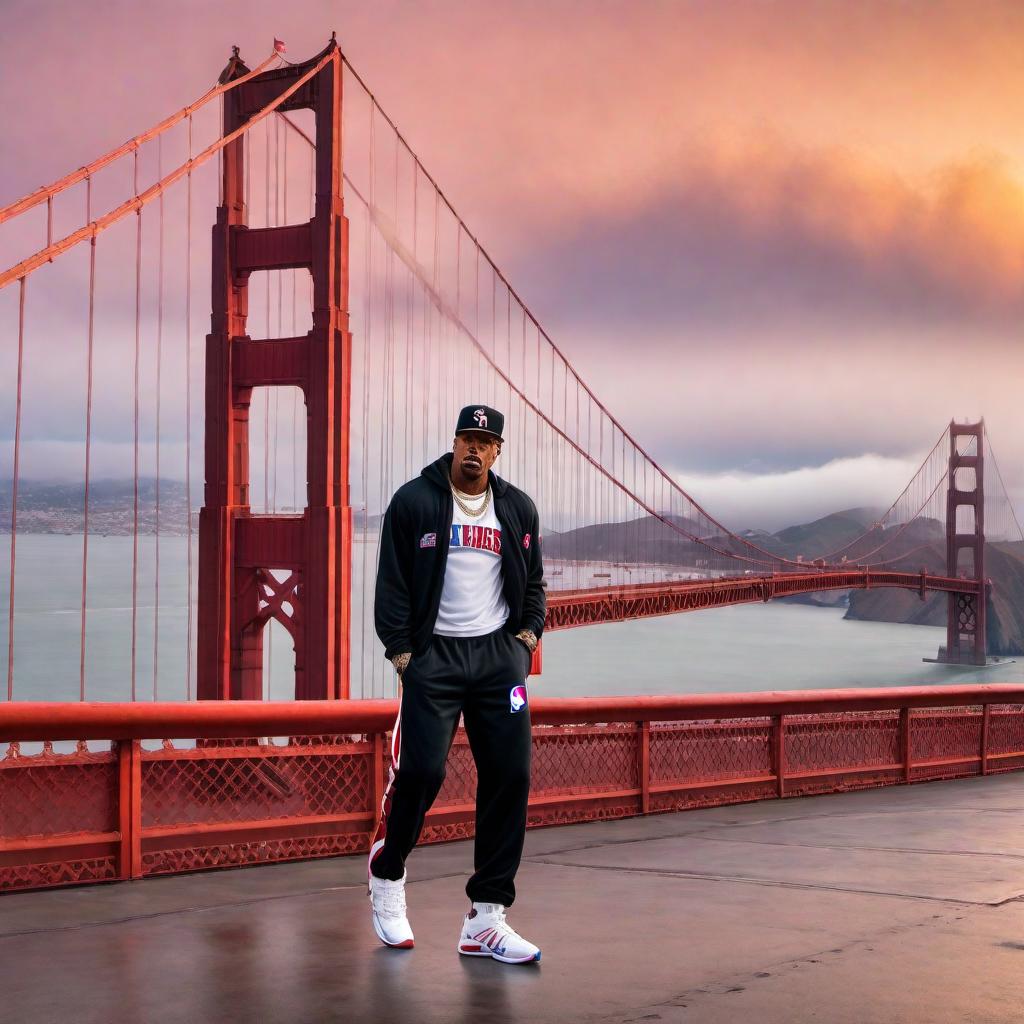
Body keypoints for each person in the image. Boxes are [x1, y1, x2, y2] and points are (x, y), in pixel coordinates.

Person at [369, 404, 545, 965]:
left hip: (497, 658)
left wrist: (525, 639)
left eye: (485, 441)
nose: (475, 448)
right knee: (423, 772)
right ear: (454, 442)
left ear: (498, 451)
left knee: (510, 776)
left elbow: (535, 581)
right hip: (434, 656)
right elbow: (392, 580)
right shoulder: (413, 501)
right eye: (467, 437)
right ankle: (387, 871)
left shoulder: (517, 508)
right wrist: (402, 652)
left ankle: (487, 918)